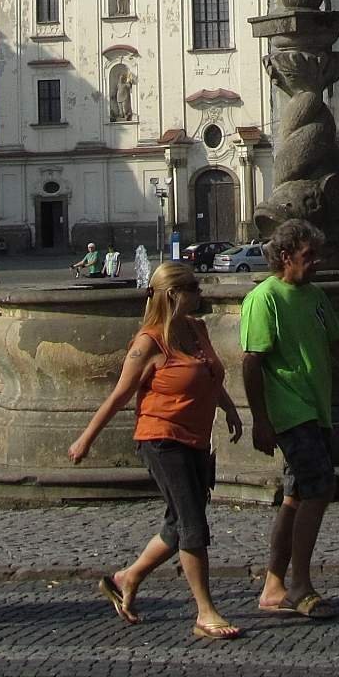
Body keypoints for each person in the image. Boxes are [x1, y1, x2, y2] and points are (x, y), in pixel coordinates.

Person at [68, 261, 244, 640]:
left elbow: (208, 371)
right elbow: (120, 395)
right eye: (193, 287)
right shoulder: (148, 342)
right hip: (161, 439)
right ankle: (205, 612)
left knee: (177, 524)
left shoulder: (196, 330)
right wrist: (86, 438)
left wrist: (228, 408)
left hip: (195, 439)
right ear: (173, 295)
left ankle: (127, 577)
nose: (201, 292)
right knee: (193, 524)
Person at [240, 218, 339, 620]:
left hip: (316, 408)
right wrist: (260, 419)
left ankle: (274, 585)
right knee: (319, 489)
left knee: (295, 497)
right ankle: (300, 585)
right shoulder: (264, 299)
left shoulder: (314, 296)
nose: (318, 263)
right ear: (285, 256)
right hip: (291, 411)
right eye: (309, 256)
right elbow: (252, 362)